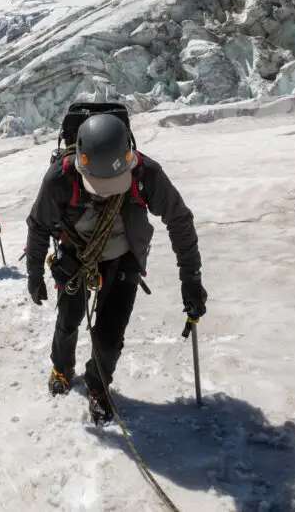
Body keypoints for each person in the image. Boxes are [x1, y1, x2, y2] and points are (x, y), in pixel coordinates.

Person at [24, 112, 205, 425]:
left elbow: (179, 220)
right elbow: (39, 226)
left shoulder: (145, 173)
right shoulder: (61, 177)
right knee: (68, 318)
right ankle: (61, 367)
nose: (106, 191)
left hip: (124, 256)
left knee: (110, 337)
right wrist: (34, 273)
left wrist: (191, 279)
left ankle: (97, 385)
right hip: (76, 254)